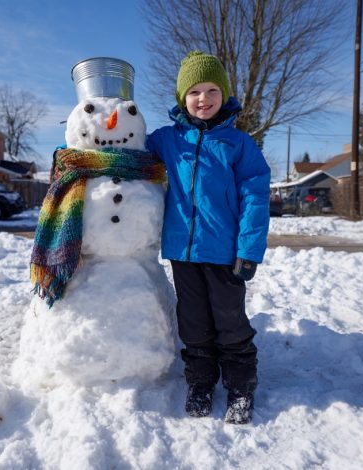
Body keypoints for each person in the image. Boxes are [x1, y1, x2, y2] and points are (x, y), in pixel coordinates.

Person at [146, 51, 271, 424]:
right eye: (195, 91)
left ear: (224, 94)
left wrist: (248, 250)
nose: (204, 98)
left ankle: (240, 387)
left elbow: (255, 198)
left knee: (230, 321)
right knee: (194, 322)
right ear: (182, 97)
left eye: (212, 90)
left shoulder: (239, 144)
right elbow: (129, 154)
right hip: (183, 252)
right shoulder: (167, 141)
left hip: (225, 253)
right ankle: (200, 383)